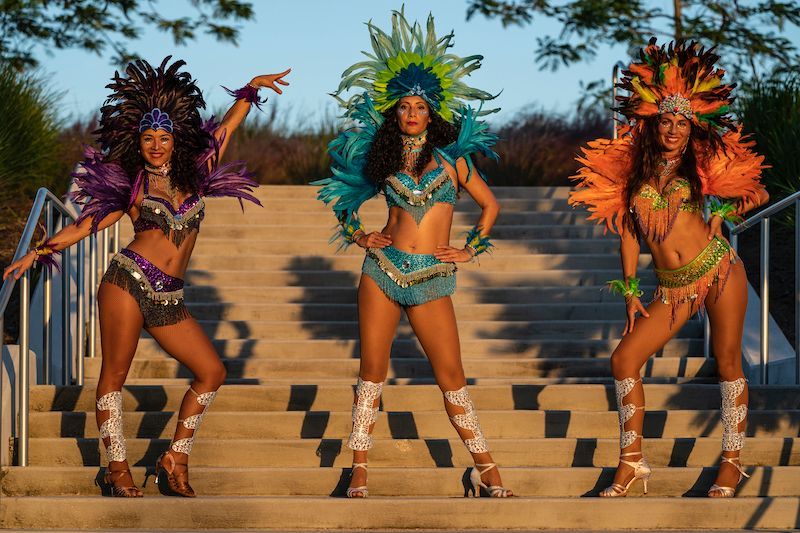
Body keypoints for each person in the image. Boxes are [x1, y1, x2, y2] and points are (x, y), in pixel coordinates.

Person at [3, 57, 290, 498]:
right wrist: (37, 253)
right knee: (114, 376)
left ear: (177, 140)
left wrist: (251, 87)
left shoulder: (198, 170)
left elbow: (228, 127)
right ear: (138, 142)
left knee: (211, 371)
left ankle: (176, 454)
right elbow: (85, 226)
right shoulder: (131, 187)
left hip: (170, 297)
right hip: (128, 282)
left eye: (163, 138)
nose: (156, 146)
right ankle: (116, 468)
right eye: (148, 138)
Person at [314, 9, 512, 499]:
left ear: (432, 112)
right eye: (403, 107)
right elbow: (342, 202)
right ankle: (359, 469)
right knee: (372, 373)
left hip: (432, 277)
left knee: (451, 376)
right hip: (381, 270)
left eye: (419, 107)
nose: (411, 114)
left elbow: (490, 206)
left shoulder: (453, 159)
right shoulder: (379, 159)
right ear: (393, 112)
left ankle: (486, 469)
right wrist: (359, 235)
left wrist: (471, 249)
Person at [569, 39, 768, 498]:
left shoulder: (704, 163)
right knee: (624, 359)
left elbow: (757, 195)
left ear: (691, 125)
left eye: (681, 121)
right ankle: (632, 461)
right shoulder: (632, 171)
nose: (673, 128)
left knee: (729, 360)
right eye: (666, 120)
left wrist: (722, 214)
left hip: (717, 270)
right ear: (652, 123)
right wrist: (631, 290)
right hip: (670, 287)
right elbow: (626, 232)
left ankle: (732, 463)